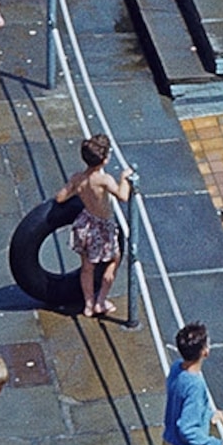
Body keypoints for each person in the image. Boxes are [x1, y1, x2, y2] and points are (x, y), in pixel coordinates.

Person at [63, 132, 136, 320]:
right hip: (103, 226)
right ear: (104, 160)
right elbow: (123, 196)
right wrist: (124, 178)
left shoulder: (77, 177)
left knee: (87, 267)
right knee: (114, 259)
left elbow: (60, 197)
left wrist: (79, 192)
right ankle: (101, 300)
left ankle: (88, 304)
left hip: (85, 223)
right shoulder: (104, 180)